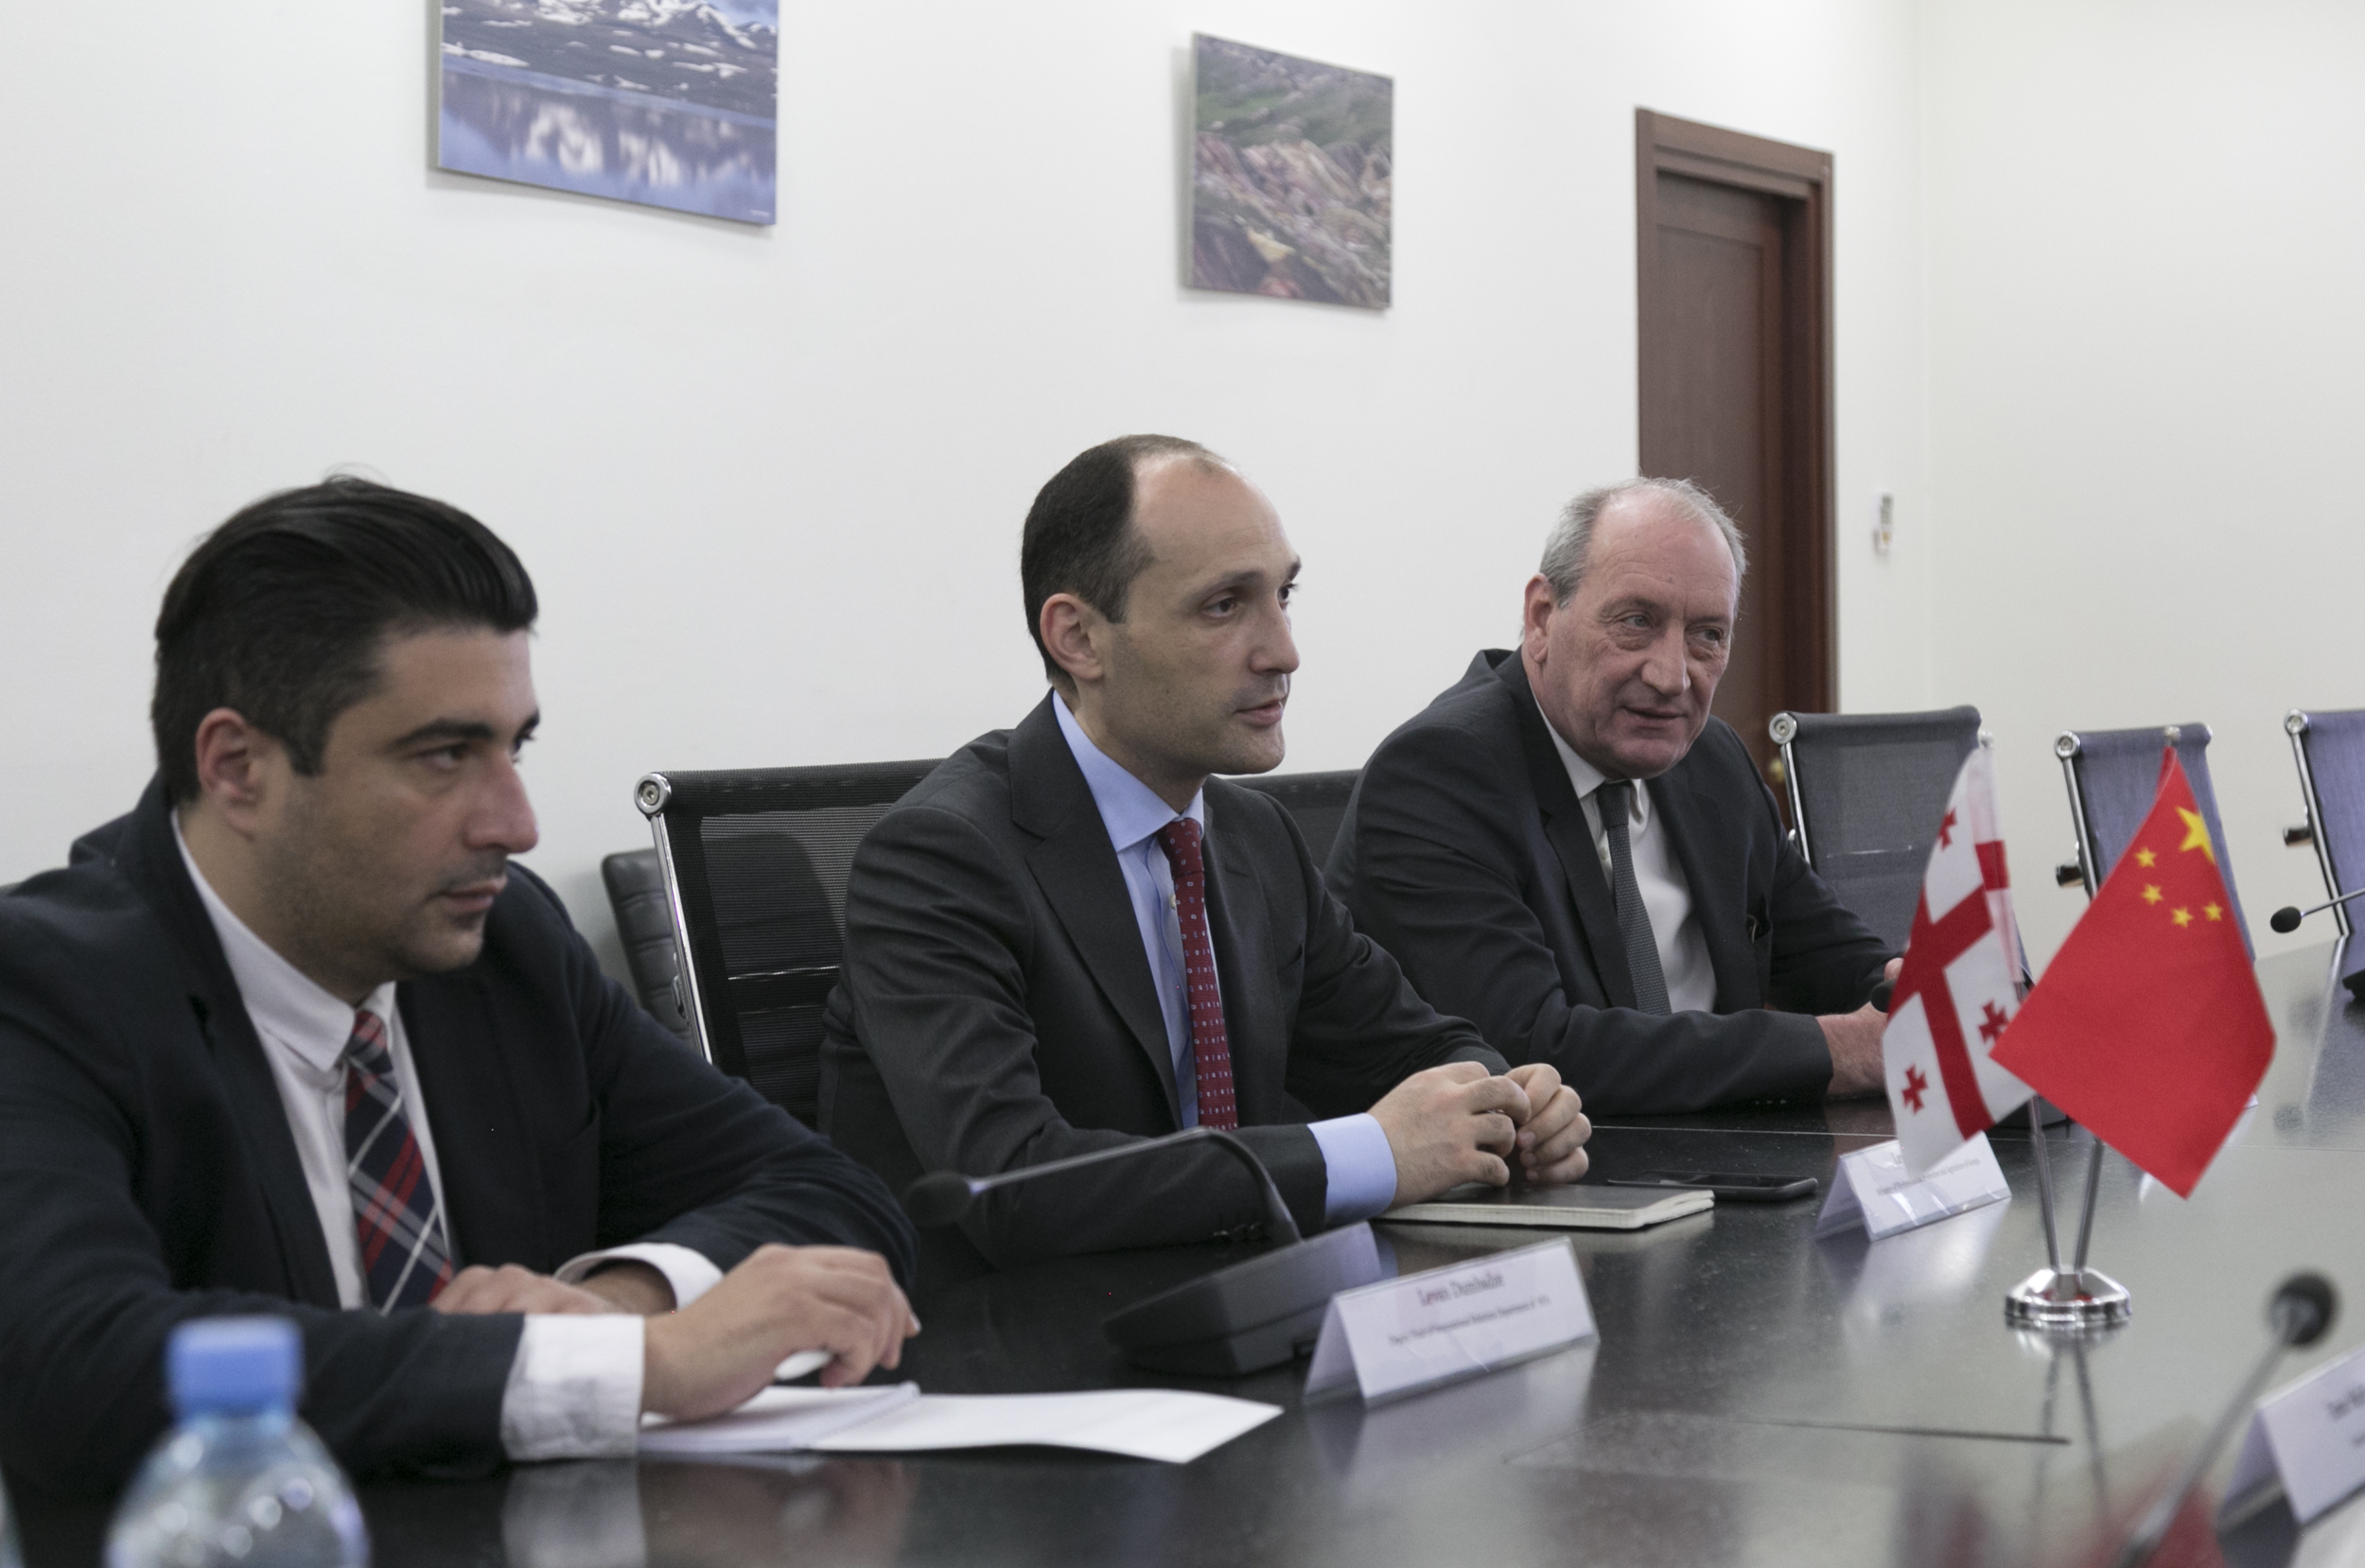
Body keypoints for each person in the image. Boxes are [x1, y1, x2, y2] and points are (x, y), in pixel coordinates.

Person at [0, 479, 918, 1495]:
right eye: (444, 755)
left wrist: (620, 1306)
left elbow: (831, 1195)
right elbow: (68, 1364)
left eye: (512, 747)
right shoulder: (43, 987)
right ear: (237, 767)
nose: (516, 825)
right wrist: (624, 1367)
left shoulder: (506, 943)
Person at [820, 435, 1590, 1279]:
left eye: (1283, 596)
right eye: (1224, 606)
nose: (1284, 651)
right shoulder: (940, 857)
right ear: (1078, 638)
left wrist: (1506, 1102)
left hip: (1237, 1299)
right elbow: (1008, 1183)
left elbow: (1413, 1047)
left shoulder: (1254, 836)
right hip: (1012, 1328)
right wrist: (1374, 1151)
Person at [1326, 478, 1898, 1115]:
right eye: (1636, 623)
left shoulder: (1710, 760)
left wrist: (1918, 996)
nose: (1672, 676)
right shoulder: (1439, 774)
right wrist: (1839, 1049)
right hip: (1562, 1165)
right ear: (1542, 618)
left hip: (1734, 1149)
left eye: (1708, 635)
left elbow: (1829, 953)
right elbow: (1528, 1054)